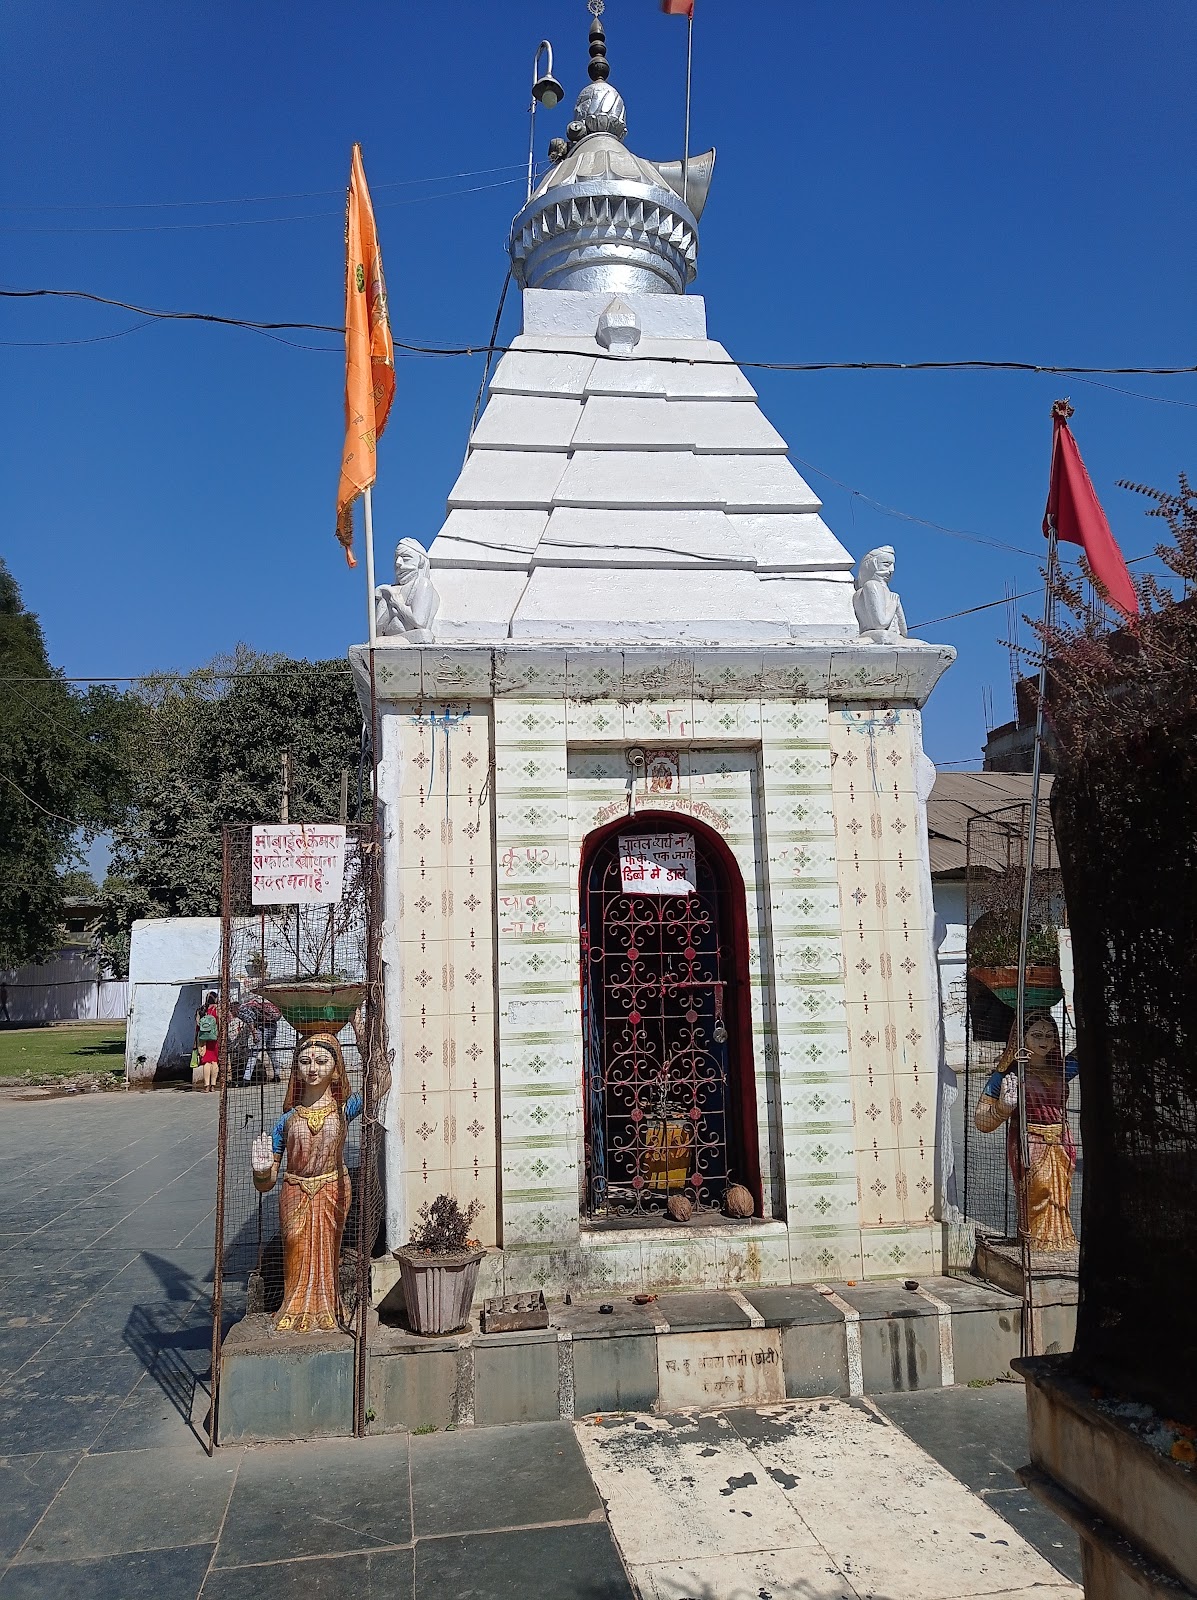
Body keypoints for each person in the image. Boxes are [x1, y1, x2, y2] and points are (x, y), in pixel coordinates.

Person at [250, 1033, 362, 1332]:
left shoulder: (344, 1109)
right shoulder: (286, 1120)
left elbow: (379, 1086)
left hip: (332, 1188)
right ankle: (294, 1306)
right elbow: (266, 1183)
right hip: (294, 1190)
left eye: (322, 1061)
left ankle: (328, 1306)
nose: (313, 1068)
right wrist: (261, 1171)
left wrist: (366, 1040)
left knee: (328, 1249)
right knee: (293, 1245)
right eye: (305, 1061)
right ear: (296, 1070)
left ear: (336, 1069)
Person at [974, 1010, 1079, 1251]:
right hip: (1030, 1141)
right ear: (1021, 1038)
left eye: (1050, 1035)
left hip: (1062, 1143)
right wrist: (1002, 1107)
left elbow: (1082, 1054)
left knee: (1061, 1197)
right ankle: (1034, 1243)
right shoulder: (1009, 1075)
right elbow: (981, 1121)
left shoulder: (1060, 1069)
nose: (1045, 1040)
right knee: (1038, 1191)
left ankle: (1059, 1242)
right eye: (1037, 1035)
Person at [240, 991, 283, 1084]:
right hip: (272, 1027)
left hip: (262, 1028)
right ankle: (277, 1074)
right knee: (272, 1052)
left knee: (254, 1053)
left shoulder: (250, 1005)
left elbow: (249, 1019)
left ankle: (246, 1078)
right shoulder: (269, 1001)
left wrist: (254, 1033)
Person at [196, 991, 220, 1092]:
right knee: (214, 1061)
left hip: (203, 1039)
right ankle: (213, 1086)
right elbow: (221, 1023)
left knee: (206, 1061)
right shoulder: (218, 1010)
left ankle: (206, 1086)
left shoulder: (202, 1009)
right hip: (215, 1038)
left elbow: (198, 1024)